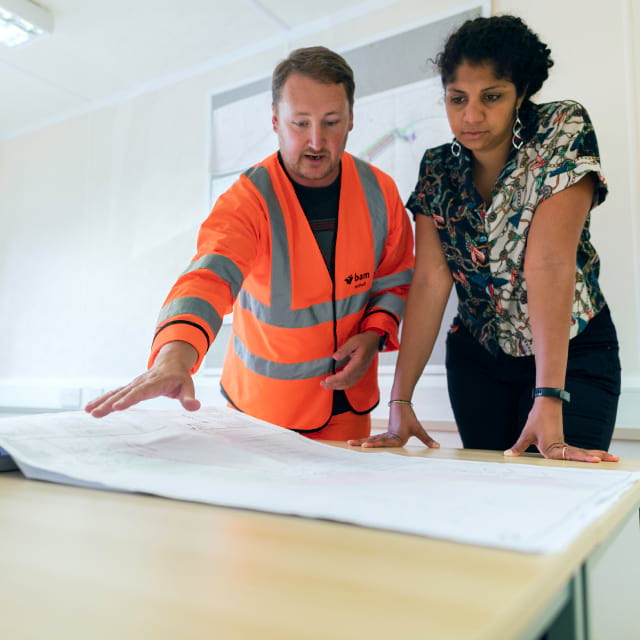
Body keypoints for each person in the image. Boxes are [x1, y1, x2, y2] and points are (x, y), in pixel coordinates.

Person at [85, 46, 415, 442]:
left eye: (331, 122)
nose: (316, 140)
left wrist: (375, 333)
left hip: (349, 408)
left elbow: (394, 279)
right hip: (263, 415)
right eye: (300, 123)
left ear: (351, 119)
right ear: (275, 121)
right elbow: (208, 278)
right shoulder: (247, 201)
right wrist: (174, 357)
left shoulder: (380, 192)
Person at [348, 15, 621, 463]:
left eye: (491, 97)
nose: (471, 116)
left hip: (571, 355)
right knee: (492, 495)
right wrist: (400, 401)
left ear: (521, 93)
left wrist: (548, 396)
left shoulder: (561, 129)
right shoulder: (438, 168)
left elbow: (548, 263)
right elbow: (431, 282)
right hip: (479, 362)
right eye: (457, 99)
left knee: (561, 490)